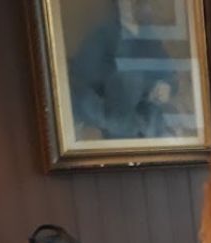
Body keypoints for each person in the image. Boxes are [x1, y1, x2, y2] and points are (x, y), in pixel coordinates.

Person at [68, 0, 180, 141]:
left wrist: (167, 87)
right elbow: (80, 89)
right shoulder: (102, 36)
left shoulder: (150, 38)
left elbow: (170, 75)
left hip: (152, 130)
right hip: (116, 136)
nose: (134, 4)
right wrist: (109, 120)